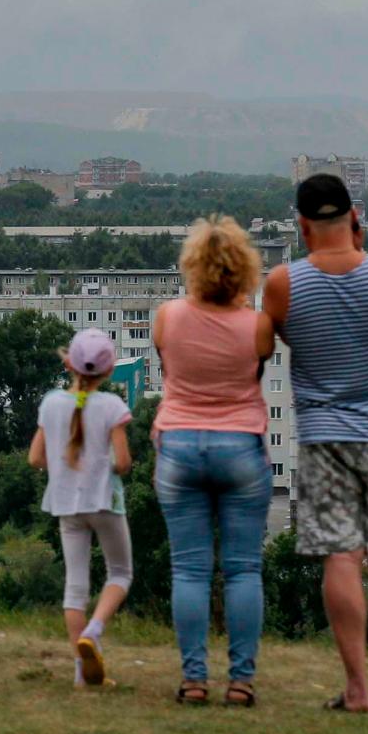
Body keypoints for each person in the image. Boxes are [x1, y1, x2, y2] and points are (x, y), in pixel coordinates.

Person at [261, 173, 368, 714]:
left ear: (302, 226)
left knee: (341, 556)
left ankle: (354, 688)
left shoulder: (283, 284)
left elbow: (279, 334)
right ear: (355, 216)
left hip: (324, 436)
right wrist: (361, 248)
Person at [151, 216, 275, 707]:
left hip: (179, 446)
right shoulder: (258, 326)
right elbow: (255, 371)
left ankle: (194, 679)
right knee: (243, 570)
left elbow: (169, 364)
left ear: (192, 268)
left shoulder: (167, 317)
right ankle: (241, 681)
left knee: (190, 571)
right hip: (240, 447)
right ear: (245, 270)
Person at [28, 327, 134, 688]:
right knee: (120, 573)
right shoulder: (112, 406)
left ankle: (80, 672)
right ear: (107, 371)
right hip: (104, 501)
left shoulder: (51, 403)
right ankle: (95, 629)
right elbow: (122, 462)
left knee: (75, 588)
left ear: (69, 364)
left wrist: (62, 466)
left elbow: (35, 457)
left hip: (65, 505)